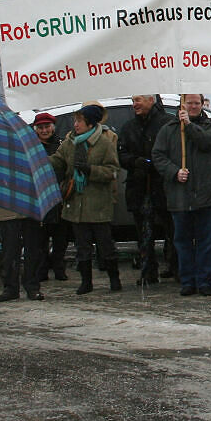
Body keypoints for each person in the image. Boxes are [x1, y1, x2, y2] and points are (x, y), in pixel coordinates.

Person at [152, 93, 211, 296]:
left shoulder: (209, 126)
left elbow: (208, 142)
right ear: (182, 104)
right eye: (189, 103)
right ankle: (187, 280)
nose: (192, 106)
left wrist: (190, 126)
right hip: (179, 196)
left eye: (196, 103)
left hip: (205, 196)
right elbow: (158, 155)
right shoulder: (168, 130)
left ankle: (204, 281)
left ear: (202, 105)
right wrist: (174, 171)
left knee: (206, 242)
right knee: (182, 242)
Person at [49, 104, 123, 295]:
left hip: (98, 205)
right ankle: (86, 282)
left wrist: (90, 170)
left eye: (79, 121)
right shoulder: (70, 142)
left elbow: (112, 171)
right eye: (75, 121)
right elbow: (57, 160)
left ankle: (114, 279)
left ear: (90, 123)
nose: (75, 124)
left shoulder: (105, 143)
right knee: (82, 248)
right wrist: (39, 159)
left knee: (106, 246)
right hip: (76, 203)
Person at [118, 95, 174, 284]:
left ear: (151, 100)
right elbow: (121, 153)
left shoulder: (166, 123)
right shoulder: (128, 127)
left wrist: (158, 164)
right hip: (139, 185)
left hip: (163, 185)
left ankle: (175, 266)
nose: (135, 104)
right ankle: (148, 270)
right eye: (134, 100)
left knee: (171, 230)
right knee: (143, 232)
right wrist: (134, 162)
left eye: (139, 100)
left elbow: (173, 151)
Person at [31, 112, 70, 282]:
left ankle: (59, 267)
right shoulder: (31, 147)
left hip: (60, 197)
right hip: (39, 198)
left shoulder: (62, 145)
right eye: (41, 128)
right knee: (41, 238)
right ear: (36, 130)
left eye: (47, 127)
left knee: (61, 237)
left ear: (53, 128)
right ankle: (42, 269)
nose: (44, 130)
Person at [0, 205, 45, 301]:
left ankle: (32, 286)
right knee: (9, 251)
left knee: (32, 250)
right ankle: (10, 288)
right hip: (5, 207)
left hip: (30, 206)